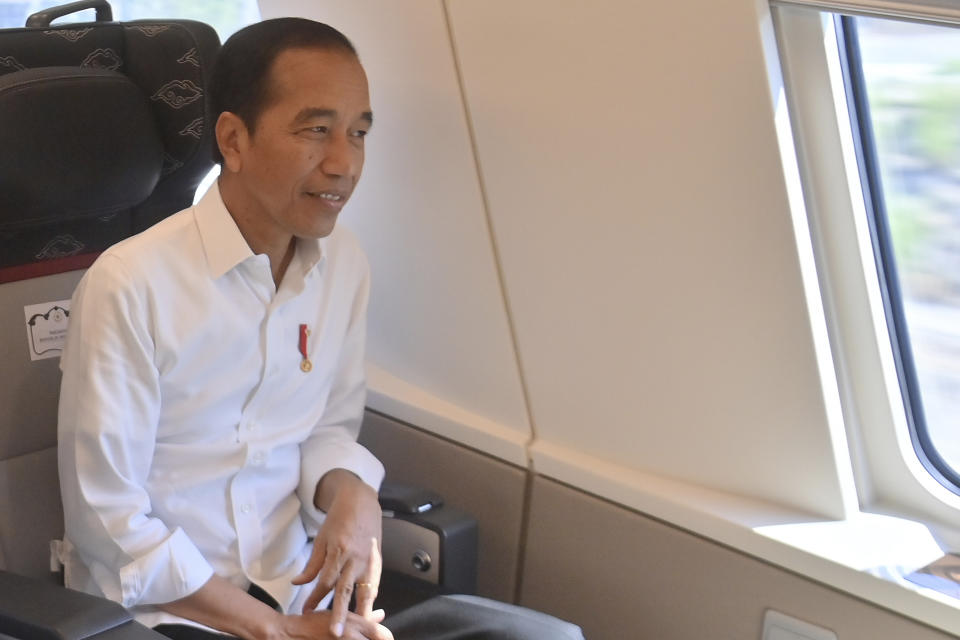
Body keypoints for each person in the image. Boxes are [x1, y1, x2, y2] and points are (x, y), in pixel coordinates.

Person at [57, 17, 583, 640]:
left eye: (358, 133)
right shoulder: (130, 285)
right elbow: (108, 523)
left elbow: (327, 431)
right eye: (316, 131)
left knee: (545, 638)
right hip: (167, 615)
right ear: (234, 139)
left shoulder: (344, 265)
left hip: (297, 591)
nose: (344, 163)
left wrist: (353, 495)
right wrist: (275, 631)